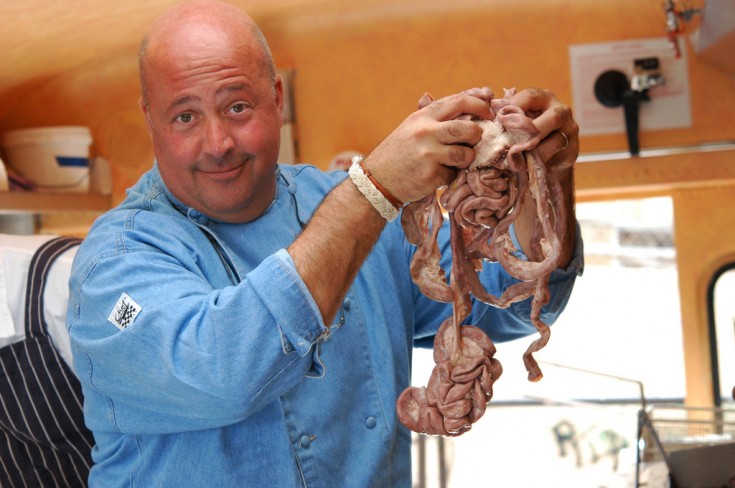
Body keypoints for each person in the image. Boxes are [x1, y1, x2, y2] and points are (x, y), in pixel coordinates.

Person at [67, 0, 583, 486]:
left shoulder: (357, 209)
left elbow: (511, 303)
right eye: (185, 117)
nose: (218, 143)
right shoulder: (114, 267)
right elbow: (225, 371)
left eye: (238, 107)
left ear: (276, 98)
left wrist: (550, 181)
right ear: (150, 119)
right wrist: (375, 189)